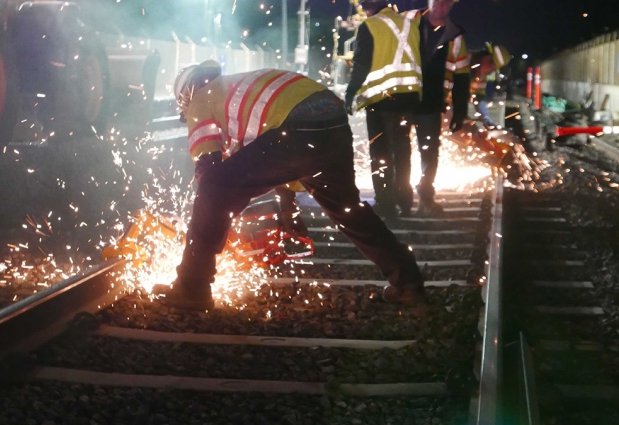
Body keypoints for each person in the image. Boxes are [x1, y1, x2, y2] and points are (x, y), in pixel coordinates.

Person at [158, 61, 425, 310]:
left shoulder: (199, 101)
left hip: (297, 128)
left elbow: (209, 176)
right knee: (348, 210)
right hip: (332, 121)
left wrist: (210, 222)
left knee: (214, 187)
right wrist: (288, 211)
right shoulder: (238, 91)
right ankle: (409, 282)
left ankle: (192, 286)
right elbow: (277, 160)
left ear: (185, 95)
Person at [345, 0, 423, 218]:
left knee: (381, 153)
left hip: (381, 100)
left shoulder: (370, 25)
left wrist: (350, 93)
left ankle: (386, 204)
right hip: (408, 98)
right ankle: (405, 201)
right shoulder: (409, 24)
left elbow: (361, 64)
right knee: (402, 151)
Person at [412, 0, 471, 217]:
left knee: (429, 152)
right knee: (398, 152)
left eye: (447, 3)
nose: (442, 7)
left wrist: (460, 111)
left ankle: (426, 196)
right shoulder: (409, 25)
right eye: (438, 1)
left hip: (431, 103)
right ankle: (401, 196)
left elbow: (462, 76)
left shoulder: (455, 37)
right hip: (404, 100)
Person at [470, 43, 510, 128]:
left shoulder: (481, 77)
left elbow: (479, 98)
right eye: (492, 67)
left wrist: (485, 117)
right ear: (487, 58)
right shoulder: (462, 62)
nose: (490, 71)